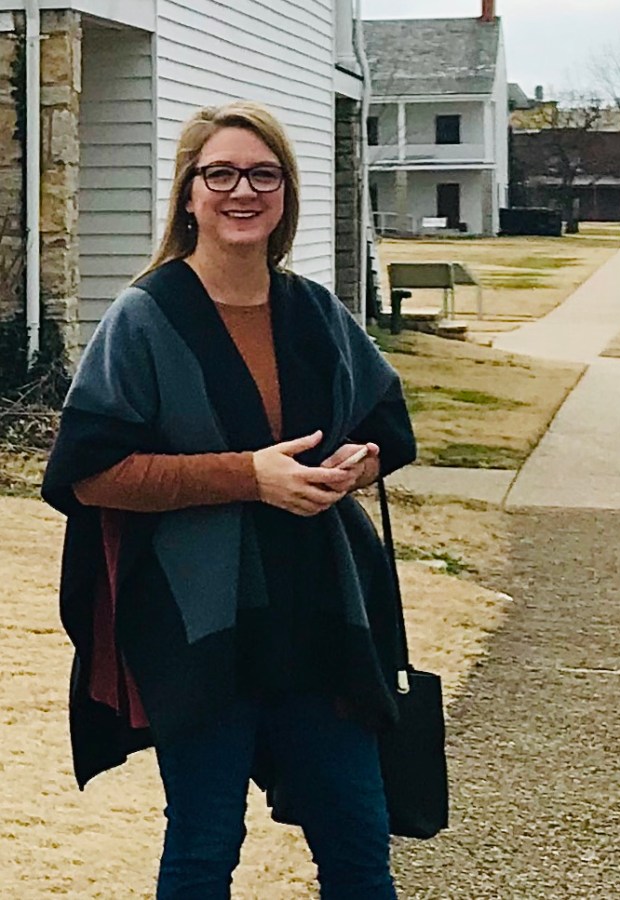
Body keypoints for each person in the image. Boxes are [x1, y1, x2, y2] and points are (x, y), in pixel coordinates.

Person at [41, 101, 416, 899]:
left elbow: (388, 423)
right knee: (206, 846)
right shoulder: (144, 317)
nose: (242, 191)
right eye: (221, 174)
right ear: (188, 193)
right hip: (200, 628)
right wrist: (248, 476)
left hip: (323, 619)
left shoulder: (314, 310)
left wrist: (360, 463)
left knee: (358, 842)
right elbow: (90, 471)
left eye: (263, 174)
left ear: (285, 193)